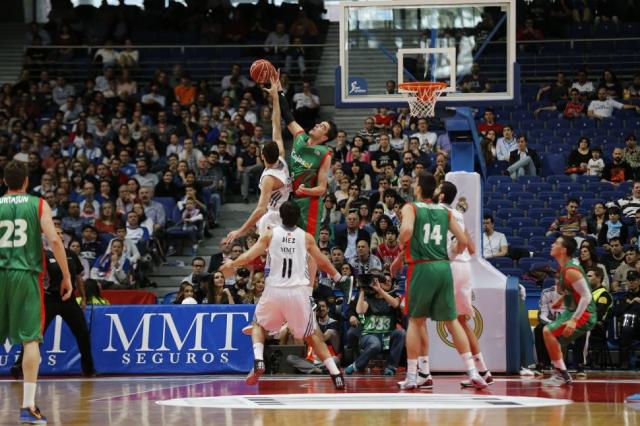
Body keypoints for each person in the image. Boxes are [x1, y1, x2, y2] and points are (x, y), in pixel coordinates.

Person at [219, 201, 352, 390]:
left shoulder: (270, 235)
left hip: (274, 290)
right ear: (298, 218)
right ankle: (336, 374)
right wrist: (338, 277)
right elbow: (322, 261)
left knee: (257, 324)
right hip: (297, 292)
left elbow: (248, 257)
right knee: (311, 335)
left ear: (280, 217)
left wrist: (231, 265)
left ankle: (258, 360)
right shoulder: (306, 238)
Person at [390, 172, 487, 390]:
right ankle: (473, 372)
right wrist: (449, 254)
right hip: (444, 267)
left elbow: (406, 231)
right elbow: (463, 242)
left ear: (417, 188)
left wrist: (401, 244)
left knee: (415, 321)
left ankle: (413, 376)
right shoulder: (445, 211)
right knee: (452, 321)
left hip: (422, 267)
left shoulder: (410, 207)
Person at [0, 160, 72, 424]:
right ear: (27, 181)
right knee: (30, 340)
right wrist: (66, 276)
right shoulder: (38, 203)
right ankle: (27, 406)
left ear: (5, 182)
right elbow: (54, 240)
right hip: (25, 275)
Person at [10, 225, 95, 379]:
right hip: (49, 299)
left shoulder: (70, 254)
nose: (60, 235)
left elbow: (78, 278)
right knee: (36, 336)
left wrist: (82, 298)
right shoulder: (42, 255)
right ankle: (19, 365)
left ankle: (88, 369)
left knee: (82, 333)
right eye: (57, 233)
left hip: (69, 301)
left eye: (62, 232)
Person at [436, 181, 493, 386]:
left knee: (448, 321)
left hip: (449, 266)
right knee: (461, 322)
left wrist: (449, 253)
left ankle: (471, 372)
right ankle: (483, 369)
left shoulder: (436, 212)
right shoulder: (459, 216)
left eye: (437, 189)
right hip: (465, 268)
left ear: (441, 195)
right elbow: (472, 247)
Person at [223, 81, 290, 243]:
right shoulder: (281, 156)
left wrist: (240, 231)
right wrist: (275, 97)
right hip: (282, 213)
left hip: (274, 218)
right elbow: (276, 125)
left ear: (262, 156)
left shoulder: (269, 178)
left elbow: (260, 209)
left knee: (269, 259)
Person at [542, 236, 596, 386]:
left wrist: (574, 320)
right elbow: (573, 290)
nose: (552, 245)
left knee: (548, 331)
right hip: (572, 309)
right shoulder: (564, 267)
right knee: (552, 336)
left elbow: (587, 295)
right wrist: (561, 299)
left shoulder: (571, 270)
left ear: (564, 250)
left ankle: (561, 374)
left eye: (556, 243)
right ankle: (560, 372)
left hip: (585, 313)